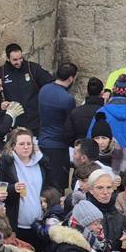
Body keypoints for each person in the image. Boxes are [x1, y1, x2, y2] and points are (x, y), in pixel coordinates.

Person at [0, 43, 54, 133]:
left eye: (20, 58)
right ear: (7, 58)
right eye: (15, 60)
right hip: (15, 123)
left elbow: (50, 85)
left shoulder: (33, 68)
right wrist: (1, 103)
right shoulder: (1, 72)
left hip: (35, 121)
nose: (19, 62)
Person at [37, 62, 78, 191]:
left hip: (43, 142)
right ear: (71, 78)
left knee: (44, 182)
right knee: (57, 186)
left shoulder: (44, 89)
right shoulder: (67, 99)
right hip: (58, 147)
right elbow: (70, 124)